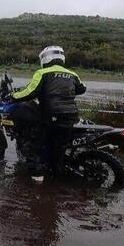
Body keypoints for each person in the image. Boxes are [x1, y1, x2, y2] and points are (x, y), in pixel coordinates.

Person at [9, 45, 86, 181]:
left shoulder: (42, 73)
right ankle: (57, 176)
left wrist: (13, 96)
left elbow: (29, 92)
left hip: (51, 116)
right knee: (59, 148)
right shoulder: (72, 74)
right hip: (71, 117)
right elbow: (82, 89)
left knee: (34, 143)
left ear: (45, 58)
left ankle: (37, 175)